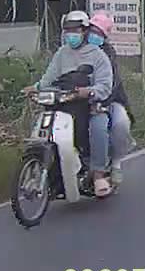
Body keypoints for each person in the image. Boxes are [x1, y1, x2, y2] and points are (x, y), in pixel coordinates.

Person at [28, 11, 115, 196]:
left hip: (90, 105)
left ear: (85, 31)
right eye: (68, 31)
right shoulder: (62, 53)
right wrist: (35, 88)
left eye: (75, 30)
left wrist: (89, 91)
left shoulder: (98, 56)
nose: (71, 35)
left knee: (98, 128)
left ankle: (98, 174)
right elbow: (49, 78)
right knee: (44, 127)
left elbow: (105, 86)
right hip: (64, 104)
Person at [86, 12, 134, 185]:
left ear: (104, 37)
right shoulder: (75, 51)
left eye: (99, 33)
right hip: (77, 100)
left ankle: (115, 164)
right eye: (92, 31)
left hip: (109, 100)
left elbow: (112, 84)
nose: (94, 35)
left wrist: (101, 102)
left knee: (120, 124)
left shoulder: (108, 53)